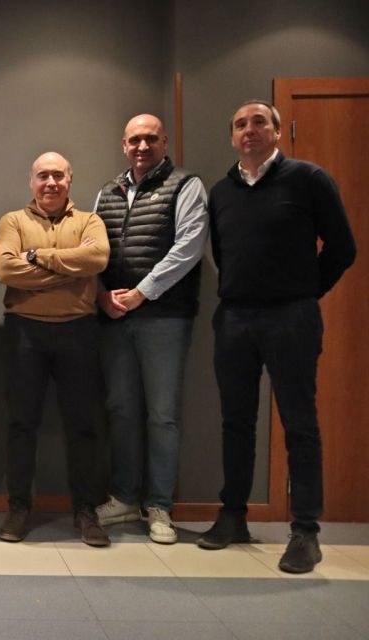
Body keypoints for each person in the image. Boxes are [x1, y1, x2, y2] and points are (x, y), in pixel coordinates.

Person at [199, 100, 356, 573]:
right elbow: (224, 253)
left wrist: (304, 292)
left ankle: (305, 530)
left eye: (259, 122)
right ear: (232, 136)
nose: (249, 130)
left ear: (277, 131)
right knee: (236, 422)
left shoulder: (308, 179)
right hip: (235, 319)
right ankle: (233, 516)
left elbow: (343, 247)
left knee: (299, 423)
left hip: (291, 317)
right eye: (240, 124)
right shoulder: (221, 191)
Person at [93, 114, 208, 544]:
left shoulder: (185, 185)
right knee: (121, 410)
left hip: (164, 317)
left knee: (162, 415)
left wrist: (142, 293)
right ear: (124, 145)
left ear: (164, 142)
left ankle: (159, 506)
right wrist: (101, 295)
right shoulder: (107, 192)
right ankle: (124, 498)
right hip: (114, 317)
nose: (142, 146)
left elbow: (189, 247)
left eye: (150, 139)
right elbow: (92, 251)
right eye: (134, 140)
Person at [0, 151, 111, 547]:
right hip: (24, 334)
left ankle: (85, 510)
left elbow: (97, 258)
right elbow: (5, 270)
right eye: (43, 175)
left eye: (58, 175)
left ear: (69, 181)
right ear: (32, 181)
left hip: (78, 332)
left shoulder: (90, 221)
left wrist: (37, 258)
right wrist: (71, 273)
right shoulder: (13, 221)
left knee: (83, 425)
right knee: (21, 424)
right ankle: (18, 508)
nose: (51, 183)